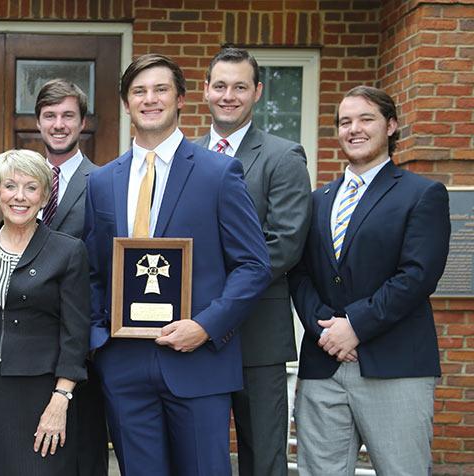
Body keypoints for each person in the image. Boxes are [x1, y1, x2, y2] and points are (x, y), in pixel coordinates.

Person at [82, 54, 271, 475]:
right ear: (126, 104)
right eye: (139, 92)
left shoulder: (219, 173)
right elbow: (93, 270)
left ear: (182, 98)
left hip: (198, 362)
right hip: (124, 363)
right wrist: (100, 341)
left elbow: (253, 265)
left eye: (160, 89)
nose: (150, 100)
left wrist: (206, 326)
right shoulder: (101, 181)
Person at [289, 85, 449, 476]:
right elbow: (299, 272)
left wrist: (356, 327)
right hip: (323, 365)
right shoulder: (317, 200)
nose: (354, 129)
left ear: (391, 126)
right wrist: (327, 329)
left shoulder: (422, 194)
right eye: (345, 121)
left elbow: (417, 276)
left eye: (366, 119)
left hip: (394, 366)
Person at [196, 47, 312, 476]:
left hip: (257, 336)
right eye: (221, 85)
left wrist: (213, 294)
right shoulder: (185, 155)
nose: (229, 95)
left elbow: (283, 244)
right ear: (206, 90)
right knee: (199, 454)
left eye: (240, 86)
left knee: (262, 458)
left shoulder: (283, 157)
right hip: (196, 332)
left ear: (258, 92)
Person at [0, 149, 90, 476]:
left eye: (31, 187)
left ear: (44, 195)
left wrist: (61, 398)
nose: (20, 196)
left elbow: (76, 333)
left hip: (44, 390)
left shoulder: (68, 251)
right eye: (10, 186)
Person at [33, 78, 106, 476]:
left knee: (83, 450)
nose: (58, 124)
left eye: (67, 115)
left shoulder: (106, 182)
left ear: (82, 123)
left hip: (86, 340)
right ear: (38, 122)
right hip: (31, 339)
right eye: (49, 116)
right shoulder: (19, 182)